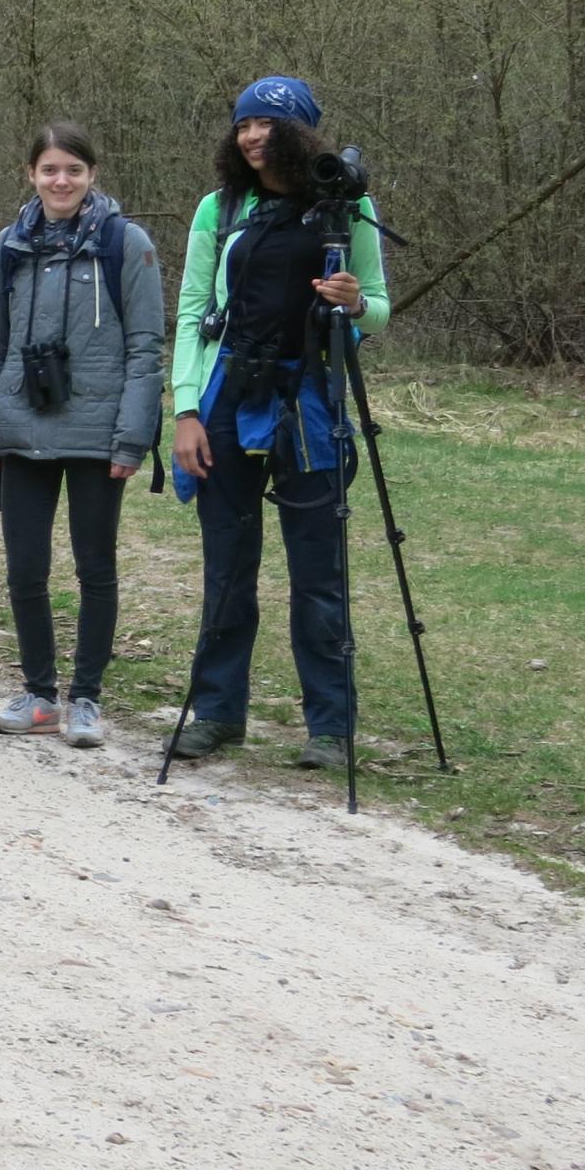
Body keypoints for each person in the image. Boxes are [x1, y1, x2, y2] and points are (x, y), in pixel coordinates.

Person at [163, 75, 391, 772]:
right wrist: (184, 410)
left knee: (317, 571)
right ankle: (217, 714)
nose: (253, 136)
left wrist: (354, 304)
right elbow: (190, 312)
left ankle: (330, 725)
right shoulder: (219, 207)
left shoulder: (345, 204)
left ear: (300, 132)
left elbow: (378, 308)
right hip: (228, 393)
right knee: (227, 565)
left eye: (267, 124)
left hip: (311, 399)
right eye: (242, 125)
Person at [0, 122, 164, 750]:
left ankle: (87, 700)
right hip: (22, 432)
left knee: (95, 567)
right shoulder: (9, 247)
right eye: (49, 169)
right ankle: (41, 694)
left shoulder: (126, 244)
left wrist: (132, 437)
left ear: (92, 174)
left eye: (73, 169)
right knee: (25, 569)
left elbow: (145, 346)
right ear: (31, 175)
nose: (61, 181)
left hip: (97, 435)